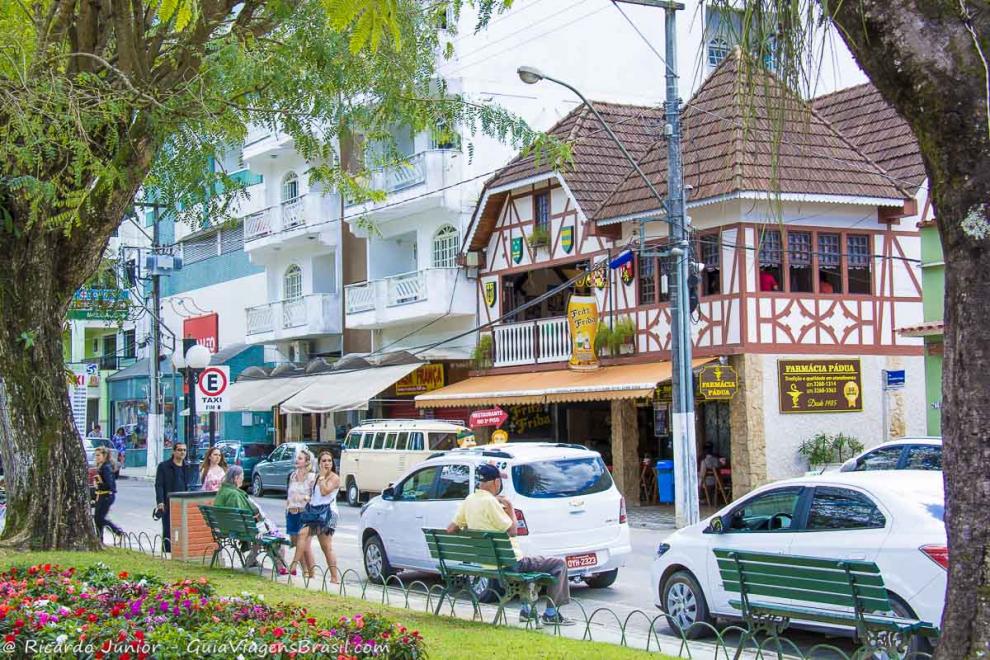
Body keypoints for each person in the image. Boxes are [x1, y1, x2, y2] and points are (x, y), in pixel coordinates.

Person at [446, 464, 574, 625]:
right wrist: (510, 507)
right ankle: (551, 613)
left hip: (487, 563)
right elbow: (513, 530)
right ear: (495, 482)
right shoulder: (490, 502)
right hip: (509, 564)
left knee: (530, 566)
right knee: (559, 564)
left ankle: (527, 611)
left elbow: (450, 529)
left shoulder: (469, 500)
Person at [213, 466, 289, 573]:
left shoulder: (223, 491)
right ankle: (281, 568)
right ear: (235, 478)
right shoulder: (234, 494)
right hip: (241, 529)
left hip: (228, 527)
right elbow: (242, 515)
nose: (243, 479)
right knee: (276, 538)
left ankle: (251, 560)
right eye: (242, 476)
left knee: (261, 534)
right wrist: (257, 518)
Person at [291, 451, 340, 583]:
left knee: (326, 546)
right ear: (319, 463)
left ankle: (334, 577)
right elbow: (315, 495)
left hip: (327, 513)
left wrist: (323, 477)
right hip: (314, 512)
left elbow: (325, 492)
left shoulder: (334, 478)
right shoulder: (318, 477)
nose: (327, 463)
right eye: (324, 461)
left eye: (329, 461)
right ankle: (295, 565)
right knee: (302, 534)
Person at [285, 449, 317, 578]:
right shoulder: (293, 475)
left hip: (305, 513)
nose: (297, 460)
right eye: (297, 458)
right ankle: (305, 570)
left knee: (304, 544)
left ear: (307, 462)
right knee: (296, 542)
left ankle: (300, 568)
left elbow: (314, 496)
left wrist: (306, 499)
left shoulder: (311, 477)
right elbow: (289, 494)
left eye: (300, 458)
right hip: (291, 512)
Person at [154, 443, 189, 553]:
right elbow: (159, 485)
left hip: (184, 503)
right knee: (168, 529)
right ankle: (167, 551)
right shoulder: (164, 466)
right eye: (179, 450)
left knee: (183, 528)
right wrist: (160, 502)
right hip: (168, 503)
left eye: (184, 450)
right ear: (173, 451)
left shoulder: (187, 467)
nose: (182, 452)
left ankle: (181, 551)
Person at [93, 447, 124, 540]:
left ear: (105, 455)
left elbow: (110, 484)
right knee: (97, 518)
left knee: (100, 518)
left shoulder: (106, 467)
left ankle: (116, 531)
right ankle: (99, 538)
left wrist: (98, 485)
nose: (97, 457)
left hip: (106, 495)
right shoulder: (101, 466)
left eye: (98, 455)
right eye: (96, 455)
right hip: (101, 494)